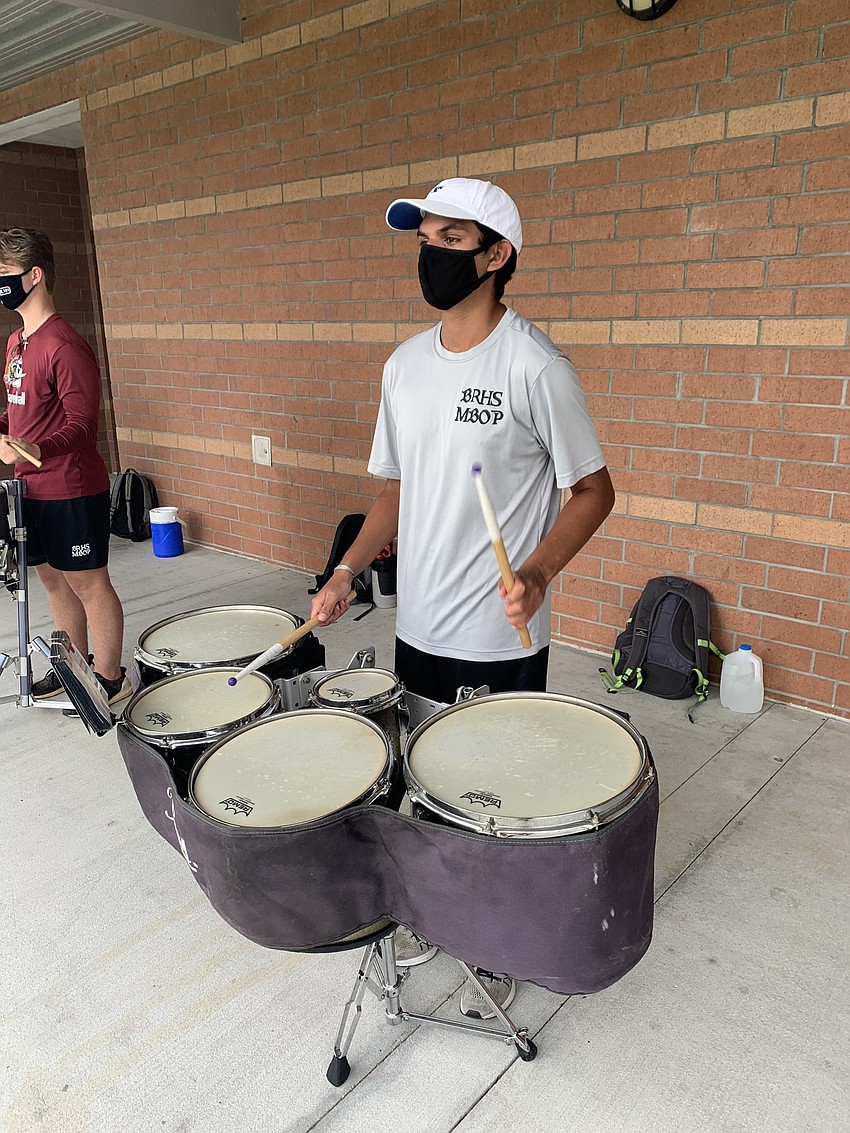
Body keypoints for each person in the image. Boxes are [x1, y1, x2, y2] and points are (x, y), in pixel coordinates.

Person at [310, 178, 614, 1019]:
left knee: (497, 797)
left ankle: (497, 938)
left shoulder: (534, 365)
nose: (432, 253)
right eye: (426, 237)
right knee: (425, 778)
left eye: (451, 239)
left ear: (496, 255)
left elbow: (592, 489)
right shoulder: (402, 367)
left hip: (498, 630)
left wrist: (541, 572)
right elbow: (392, 494)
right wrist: (344, 571)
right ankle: (442, 912)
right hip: (424, 622)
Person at [0, 227, 130, 705]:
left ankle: (111, 679)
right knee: (52, 578)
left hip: (71, 487)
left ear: (35, 275)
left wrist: (31, 447)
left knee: (89, 583)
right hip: (29, 490)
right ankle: (71, 666)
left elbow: (81, 425)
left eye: (4, 275)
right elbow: (19, 411)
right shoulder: (16, 341)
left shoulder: (65, 344)